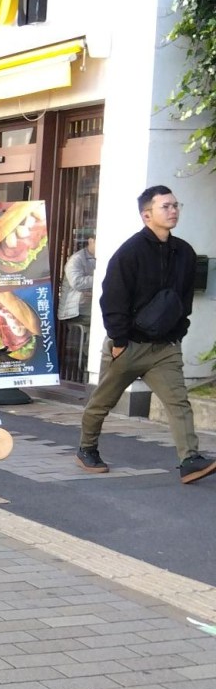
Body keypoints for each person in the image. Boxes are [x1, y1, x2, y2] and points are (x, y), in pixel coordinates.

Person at [76, 186, 216, 484]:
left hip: (164, 348)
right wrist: (119, 341)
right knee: (103, 402)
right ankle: (87, 448)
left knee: (178, 402)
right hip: (128, 345)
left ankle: (189, 459)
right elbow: (112, 299)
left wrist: (179, 331)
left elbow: (184, 297)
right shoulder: (130, 252)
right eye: (166, 206)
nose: (173, 210)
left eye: (176, 205)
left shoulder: (185, 252)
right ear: (146, 214)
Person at [59, 235, 97, 378]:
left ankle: (90, 360)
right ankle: (89, 363)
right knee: (100, 325)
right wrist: (99, 277)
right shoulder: (77, 259)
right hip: (75, 310)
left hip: (90, 307)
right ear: (90, 241)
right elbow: (77, 282)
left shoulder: (102, 257)